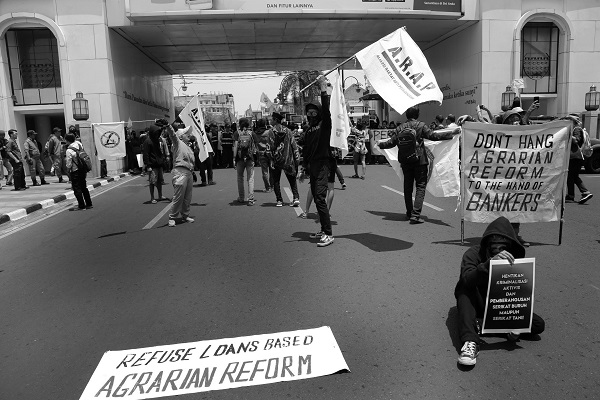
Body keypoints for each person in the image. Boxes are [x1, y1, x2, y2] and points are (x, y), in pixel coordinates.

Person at [454, 216, 545, 366]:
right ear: (487, 243)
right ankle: (470, 340)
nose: (498, 249)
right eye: (494, 245)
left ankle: (484, 326)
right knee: (464, 289)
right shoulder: (473, 253)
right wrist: (488, 265)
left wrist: (516, 318)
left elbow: (517, 291)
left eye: (502, 245)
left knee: (537, 325)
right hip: (477, 300)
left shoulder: (514, 257)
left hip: (499, 305)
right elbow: (466, 279)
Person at [377, 106, 458, 224]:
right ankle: (415, 215)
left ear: (406, 115)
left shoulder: (400, 128)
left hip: (405, 161)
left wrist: (380, 145)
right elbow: (433, 136)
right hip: (420, 161)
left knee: (408, 187)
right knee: (420, 187)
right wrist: (451, 134)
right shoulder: (421, 125)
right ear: (417, 115)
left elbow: (391, 143)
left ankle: (409, 212)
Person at [299, 77, 335, 247]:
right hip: (312, 167)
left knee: (320, 199)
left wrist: (323, 90)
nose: (311, 115)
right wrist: (303, 168)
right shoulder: (308, 130)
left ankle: (328, 233)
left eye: (314, 112)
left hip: (322, 166)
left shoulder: (324, 125)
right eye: (309, 113)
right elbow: (306, 151)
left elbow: (327, 112)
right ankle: (323, 230)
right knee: (316, 197)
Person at [164, 121, 196, 227]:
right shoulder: (177, 143)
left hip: (189, 172)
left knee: (187, 197)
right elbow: (172, 134)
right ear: (181, 136)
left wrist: (193, 172)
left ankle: (185, 215)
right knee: (178, 197)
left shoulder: (188, 147)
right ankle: (172, 217)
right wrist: (168, 126)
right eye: (186, 134)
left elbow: (191, 161)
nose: (189, 135)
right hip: (180, 172)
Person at [268, 112, 301, 207]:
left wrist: (271, 159)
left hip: (276, 159)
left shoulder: (271, 132)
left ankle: (279, 200)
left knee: (276, 180)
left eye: (272, 119)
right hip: (288, 159)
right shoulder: (288, 131)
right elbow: (294, 145)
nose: (270, 121)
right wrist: (296, 158)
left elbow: (269, 147)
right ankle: (296, 198)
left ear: (275, 120)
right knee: (292, 179)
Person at [563, 115, 593, 204]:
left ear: (573, 121)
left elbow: (576, 140)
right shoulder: (574, 129)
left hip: (575, 157)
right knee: (571, 176)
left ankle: (584, 192)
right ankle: (571, 195)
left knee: (572, 176)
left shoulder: (576, 129)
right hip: (574, 157)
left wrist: (568, 133)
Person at [65, 132, 93, 210]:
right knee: (84, 187)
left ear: (67, 140)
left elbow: (69, 163)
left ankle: (81, 205)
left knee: (77, 188)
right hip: (83, 169)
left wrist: (67, 171)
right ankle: (89, 203)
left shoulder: (69, 150)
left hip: (75, 171)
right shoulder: (79, 144)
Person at [233, 118, 256, 205]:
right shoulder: (251, 133)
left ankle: (241, 197)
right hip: (250, 158)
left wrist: (234, 158)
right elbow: (256, 144)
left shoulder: (237, 133)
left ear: (240, 124)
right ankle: (251, 199)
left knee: (240, 178)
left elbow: (235, 146)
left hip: (240, 158)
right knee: (250, 179)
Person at [143, 125, 167, 204]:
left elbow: (159, 152)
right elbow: (146, 154)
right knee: (152, 182)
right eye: (156, 133)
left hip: (159, 164)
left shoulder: (156, 140)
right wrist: (148, 165)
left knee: (159, 181)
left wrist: (162, 161)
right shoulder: (148, 141)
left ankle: (160, 195)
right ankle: (152, 197)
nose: (157, 134)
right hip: (152, 165)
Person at [254, 119, 273, 192]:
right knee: (272, 170)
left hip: (261, 153)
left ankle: (267, 187)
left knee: (264, 171)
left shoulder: (256, 133)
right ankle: (272, 186)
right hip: (269, 152)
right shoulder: (268, 132)